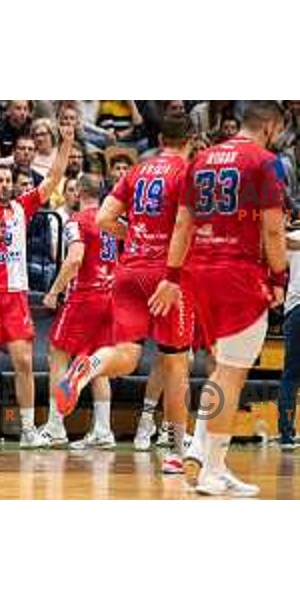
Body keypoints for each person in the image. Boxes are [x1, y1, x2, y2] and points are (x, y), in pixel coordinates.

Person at [149, 101, 287, 496]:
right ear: (272, 126)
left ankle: (210, 459)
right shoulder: (265, 162)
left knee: (221, 368)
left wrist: (172, 276)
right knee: (231, 373)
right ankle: (209, 469)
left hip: (198, 274)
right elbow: (274, 233)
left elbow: (182, 223)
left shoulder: (203, 158)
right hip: (238, 275)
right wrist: (279, 277)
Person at [54, 114, 195, 475]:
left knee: (127, 355)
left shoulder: (137, 171)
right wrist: (173, 273)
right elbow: (182, 224)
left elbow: (103, 219)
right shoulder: (187, 171)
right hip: (166, 273)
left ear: (161, 137)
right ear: (191, 139)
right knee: (176, 363)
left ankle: (87, 368)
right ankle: (178, 452)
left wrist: (131, 237)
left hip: (128, 270)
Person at [0, 125, 75, 449]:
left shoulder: (21, 207)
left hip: (15, 293)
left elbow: (54, 179)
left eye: (7, 181)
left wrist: (67, 141)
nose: (3, 184)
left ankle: (29, 429)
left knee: (25, 361)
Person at [38, 174, 117, 449]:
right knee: (97, 364)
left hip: (84, 297)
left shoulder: (78, 221)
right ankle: (104, 431)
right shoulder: (111, 223)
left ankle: (55, 427)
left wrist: (53, 292)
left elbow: (75, 260)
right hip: (110, 297)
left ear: (79, 193)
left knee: (57, 357)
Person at [277, 226, 300, 451]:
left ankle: (286, 436)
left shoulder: (291, 237)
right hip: (295, 308)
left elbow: (276, 263)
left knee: (291, 375)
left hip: (296, 310)